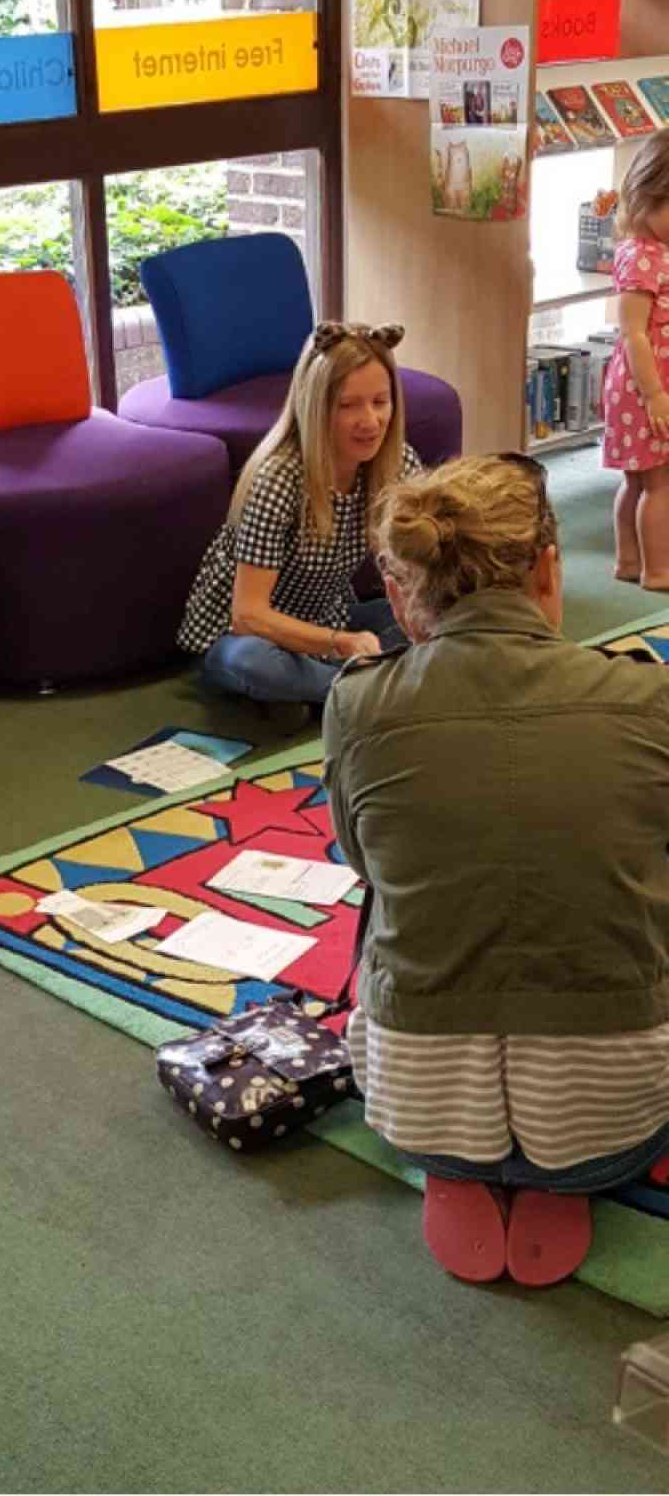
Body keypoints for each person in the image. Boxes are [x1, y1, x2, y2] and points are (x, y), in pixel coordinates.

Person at [324, 453, 669, 1287]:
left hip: (417, 1108)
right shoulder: (650, 699)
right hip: (617, 1116)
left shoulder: (359, 702)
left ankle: (466, 1160)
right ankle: (564, 1169)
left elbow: (360, 863)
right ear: (550, 569)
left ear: (406, 594)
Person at [177, 321, 421, 719]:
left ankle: (321, 692)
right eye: (348, 405)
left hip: (328, 619)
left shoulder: (399, 462)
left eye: (380, 402)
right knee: (254, 664)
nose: (370, 421)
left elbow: (420, 571)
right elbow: (248, 614)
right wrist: (341, 643)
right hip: (244, 635)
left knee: (433, 617)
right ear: (316, 406)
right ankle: (362, 691)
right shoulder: (278, 479)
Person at [605, 128, 669, 588]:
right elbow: (634, 333)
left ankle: (629, 561)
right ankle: (657, 569)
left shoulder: (646, 251)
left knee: (638, 480)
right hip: (645, 387)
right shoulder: (646, 259)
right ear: (646, 197)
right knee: (660, 484)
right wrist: (655, 395)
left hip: (641, 386)